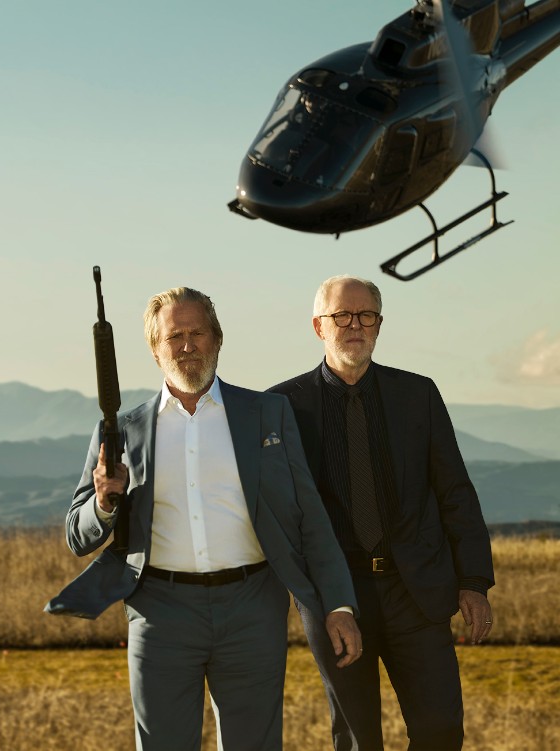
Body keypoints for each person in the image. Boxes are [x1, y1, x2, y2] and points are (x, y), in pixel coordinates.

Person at [46, 286, 361, 751]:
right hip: (160, 612)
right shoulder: (122, 431)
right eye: (175, 337)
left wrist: (339, 605)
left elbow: (311, 517)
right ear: (156, 350)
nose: (188, 345)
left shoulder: (268, 414)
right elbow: (77, 535)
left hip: (253, 608)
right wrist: (105, 502)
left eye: (198, 333)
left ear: (218, 339)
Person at [268, 275, 495, 751]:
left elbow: (455, 490)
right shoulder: (281, 407)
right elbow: (275, 511)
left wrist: (473, 580)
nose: (355, 325)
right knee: (355, 739)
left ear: (379, 325)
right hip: (336, 596)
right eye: (342, 316)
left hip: (417, 591)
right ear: (318, 327)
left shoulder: (418, 394)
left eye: (366, 315)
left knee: (440, 732)